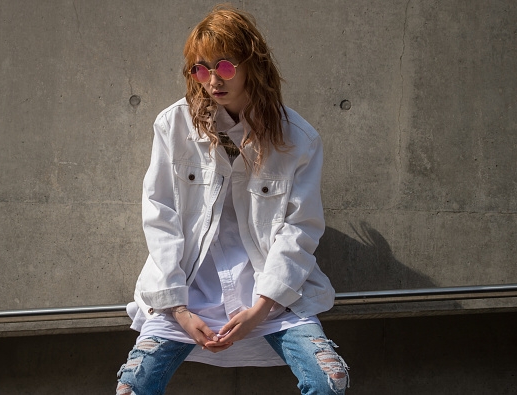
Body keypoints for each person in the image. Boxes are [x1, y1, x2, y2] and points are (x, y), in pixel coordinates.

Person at [116, 4, 349, 394]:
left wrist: (260, 310)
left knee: (330, 380)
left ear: (250, 64)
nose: (212, 80)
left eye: (224, 66)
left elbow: (300, 230)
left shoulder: (298, 139)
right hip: (187, 290)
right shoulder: (173, 125)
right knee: (133, 387)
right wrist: (179, 309)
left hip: (269, 295)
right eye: (201, 69)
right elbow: (160, 217)